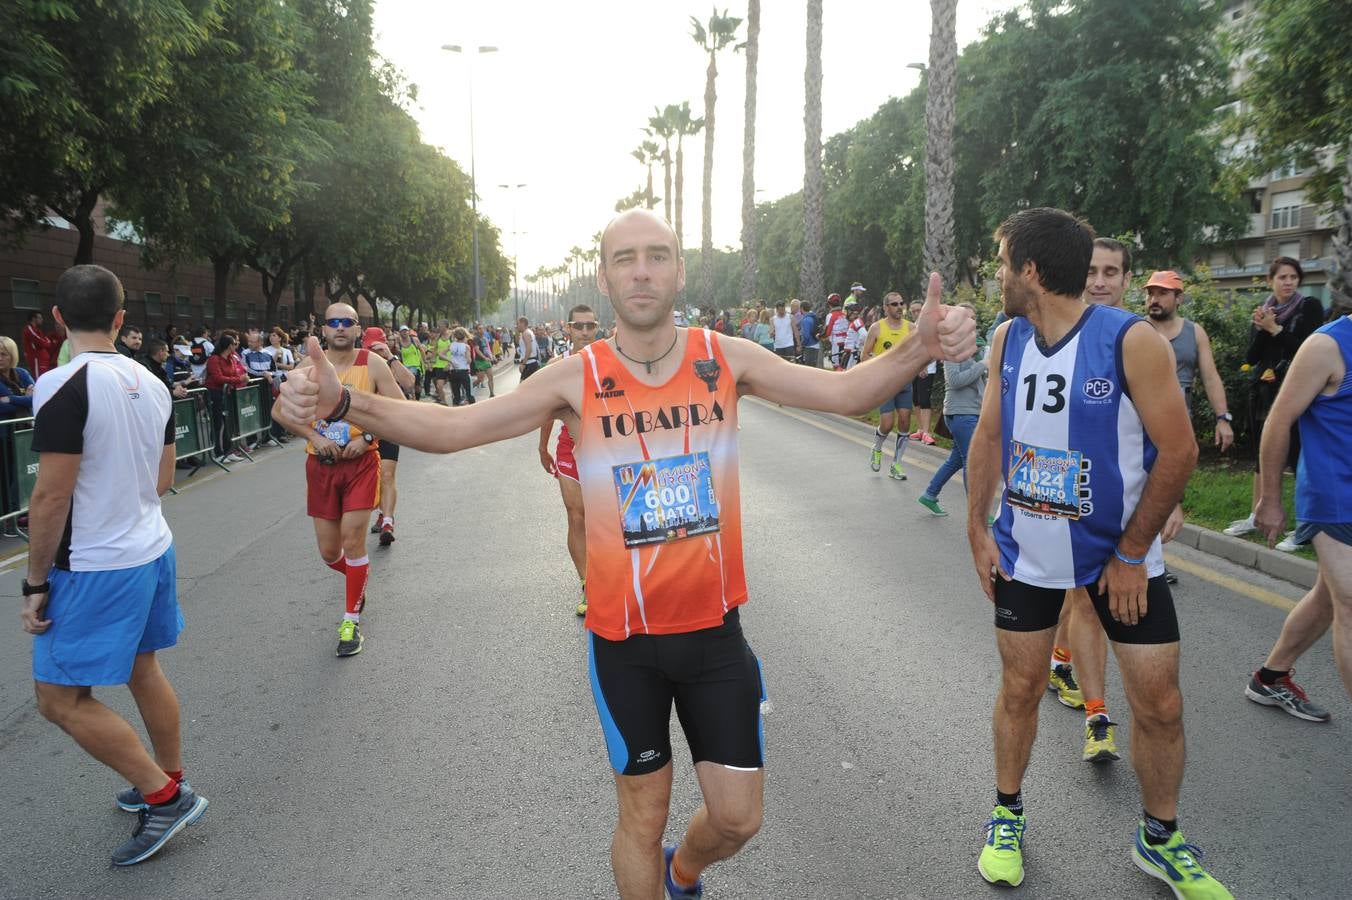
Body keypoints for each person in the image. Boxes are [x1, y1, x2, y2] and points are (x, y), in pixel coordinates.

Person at [277, 209, 975, 898]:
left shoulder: (722, 357)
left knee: (738, 819)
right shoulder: (573, 377)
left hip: (715, 637)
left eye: (657, 255)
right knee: (639, 820)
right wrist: (347, 406)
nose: (642, 270)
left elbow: (845, 391)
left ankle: (683, 874)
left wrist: (918, 349)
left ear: (677, 271)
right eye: (624, 258)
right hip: (625, 643)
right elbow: (456, 428)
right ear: (605, 280)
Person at [965, 208, 1230, 897]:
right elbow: (990, 436)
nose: (997, 276)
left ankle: (1160, 838)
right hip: (1027, 552)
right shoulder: (1006, 341)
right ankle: (1006, 815)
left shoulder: (1130, 341)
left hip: (1122, 559)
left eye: (1001, 263)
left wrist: (1132, 550)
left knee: (1160, 703)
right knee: (1021, 688)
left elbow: (1180, 450)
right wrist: (976, 526)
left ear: (1029, 269)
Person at [20, 264, 207, 866]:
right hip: (151, 546)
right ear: (121, 319)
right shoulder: (151, 381)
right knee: (142, 669)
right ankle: (167, 778)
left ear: (58, 319)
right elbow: (162, 478)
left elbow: (50, 496)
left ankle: (165, 797)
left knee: (58, 700)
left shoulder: (58, 383)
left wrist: (34, 582)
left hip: (97, 563)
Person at [271, 304, 404, 656]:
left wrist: (368, 438)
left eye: (347, 322)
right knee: (330, 553)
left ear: (358, 328)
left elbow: (401, 407)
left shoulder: (371, 364)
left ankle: (350, 623)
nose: (340, 327)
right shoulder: (308, 367)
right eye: (333, 322)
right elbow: (278, 412)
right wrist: (315, 438)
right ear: (324, 329)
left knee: (353, 540)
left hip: (361, 464)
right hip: (321, 465)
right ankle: (358, 580)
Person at [1248, 307, 1352, 722]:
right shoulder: (1328, 344)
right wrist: (1270, 499)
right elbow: (1279, 421)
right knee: (1349, 601)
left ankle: (1270, 677)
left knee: (1329, 597)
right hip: (1333, 495)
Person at [1225, 257, 1328, 549]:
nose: (1288, 282)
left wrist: (1276, 330)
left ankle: (1305, 528)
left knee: (1298, 458)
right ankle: (1257, 515)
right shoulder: (1266, 312)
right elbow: (1251, 358)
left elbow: (1309, 349)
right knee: (1262, 456)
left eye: (1293, 277)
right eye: (1282, 277)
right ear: (1270, 280)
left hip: (1300, 392)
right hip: (1266, 392)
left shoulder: (1309, 307)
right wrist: (1262, 328)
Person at [537, 304, 599, 615]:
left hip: (604, 450)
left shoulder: (610, 361)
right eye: (579, 326)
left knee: (608, 519)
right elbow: (547, 410)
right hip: (568, 449)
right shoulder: (557, 365)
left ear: (597, 327)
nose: (585, 332)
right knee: (576, 515)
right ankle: (588, 583)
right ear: (569, 329)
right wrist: (541, 447)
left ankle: (613, 577)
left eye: (590, 326)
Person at [917, 303, 986, 516]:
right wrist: (983, 365)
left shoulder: (978, 346)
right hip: (961, 413)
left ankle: (929, 495)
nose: (972, 322)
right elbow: (954, 380)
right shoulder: (951, 348)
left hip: (974, 411)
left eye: (973, 318)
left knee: (957, 459)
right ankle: (976, 513)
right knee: (972, 463)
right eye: (967, 318)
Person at [364, 326, 416, 547]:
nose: (374, 352)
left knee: (387, 475)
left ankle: (387, 521)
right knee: (373, 478)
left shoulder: (392, 363)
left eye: (378, 347)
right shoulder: (359, 364)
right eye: (369, 347)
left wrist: (391, 357)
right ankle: (380, 511)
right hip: (363, 430)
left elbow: (409, 382)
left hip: (388, 428)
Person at [859, 291, 914, 479]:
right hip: (885, 382)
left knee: (905, 422)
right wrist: (879, 362)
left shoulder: (911, 328)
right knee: (888, 424)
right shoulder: (877, 328)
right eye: (894, 304)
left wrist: (920, 366)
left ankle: (896, 464)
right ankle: (877, 447)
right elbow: (864, 355)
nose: (899, 307)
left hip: (905, 381)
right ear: (885, 308)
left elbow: (918, 352)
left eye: (901, 303)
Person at [204, 333, 249, 464]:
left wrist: (241, 378)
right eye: (235, 344)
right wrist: (238, 379)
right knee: (218, 423)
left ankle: (228, 451)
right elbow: (217, 378)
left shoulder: (231, 358)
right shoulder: (214, 359)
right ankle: (218, 452)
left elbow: (235, 373)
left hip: (227, 393)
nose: (237, 346)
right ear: (230, 345)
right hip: (215, 393)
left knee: (228, 422)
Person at [906, 300, 938, 445]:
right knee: (916, 399)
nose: (916, 313)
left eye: (918, 310)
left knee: (925, 400)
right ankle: (920, 429)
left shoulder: (930, 326)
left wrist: (924, 365)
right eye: (913, 311)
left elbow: (933, 348)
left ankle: (926, 431)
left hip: (927, 368)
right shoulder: (912, 327)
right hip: (914, 368)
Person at [448, 326, 474, 406]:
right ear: (465, 335)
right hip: (463, 371)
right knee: (469, 393)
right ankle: (474, 409)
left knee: (456, 395)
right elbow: (469, 360)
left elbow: (441, 354)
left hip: (453, 371)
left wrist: (451, 361)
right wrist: (468, 358)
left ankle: (455, 411)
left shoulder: (451, 345)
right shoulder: (466, 346)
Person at [23, 310, 55, 377]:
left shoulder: (38, 330)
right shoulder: (29, 330)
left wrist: (46, 342)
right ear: (34, 319)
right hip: (37, 360)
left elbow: (47, 341)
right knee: (39, 379)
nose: (42, 320)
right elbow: (43, 343)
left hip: (42, 360)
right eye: (40, 318)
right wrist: (46, 343)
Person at [429, 323, 452, 405]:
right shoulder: (438, 337)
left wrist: (449, 364)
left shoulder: (451, 337)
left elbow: (454, 351)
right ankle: (444, 402)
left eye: (441, 326)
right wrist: (431, 363)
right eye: (438, 326)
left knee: (453, 386)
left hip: (451, 365)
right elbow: (435, 351)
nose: (439, 328)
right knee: (439, 386)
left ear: (446, 327)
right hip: (439, 365)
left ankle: (456, 401)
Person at [516, 316, 540, 380]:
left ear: (522, 323)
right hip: (530, 363)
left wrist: (523, 364)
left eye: (517, 324)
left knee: (523, 388)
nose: (516, 326)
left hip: (529, 364)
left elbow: (529, 349)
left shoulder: (526, 333)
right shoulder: (527, 332)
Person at [797, 301, 820, 368]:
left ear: (801, 308)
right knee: (813, 367)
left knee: (809, 367)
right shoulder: (813, 316)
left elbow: (806, 336)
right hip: (816, 344)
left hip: (810, 346)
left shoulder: (806, 320)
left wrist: (802, 344)